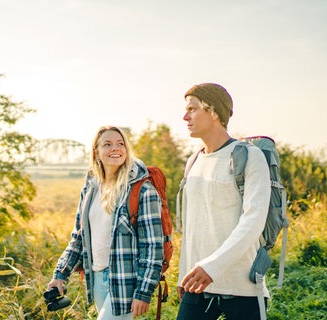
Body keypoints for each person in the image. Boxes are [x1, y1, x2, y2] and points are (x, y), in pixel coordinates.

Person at [47, 126, 164, 319]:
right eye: (107, 144)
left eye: (120, 144)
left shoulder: (142, 190)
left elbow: (152, 246)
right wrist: (59, 275)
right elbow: (79, 237)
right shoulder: (91, 188)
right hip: (97, 277)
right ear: (96, 152)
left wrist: (144, 291)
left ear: (126, 150)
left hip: (125, 282)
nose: (115, 149)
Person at [176, 83, 271, 320]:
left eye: (193, 109)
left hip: (243, 286)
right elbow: (191, 226)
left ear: (215, 112)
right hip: (198, 284)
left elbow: (253, 221)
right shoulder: (193, 161)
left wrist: (212, 267)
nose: (185, 116)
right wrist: (183, 273)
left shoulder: (249, 156)